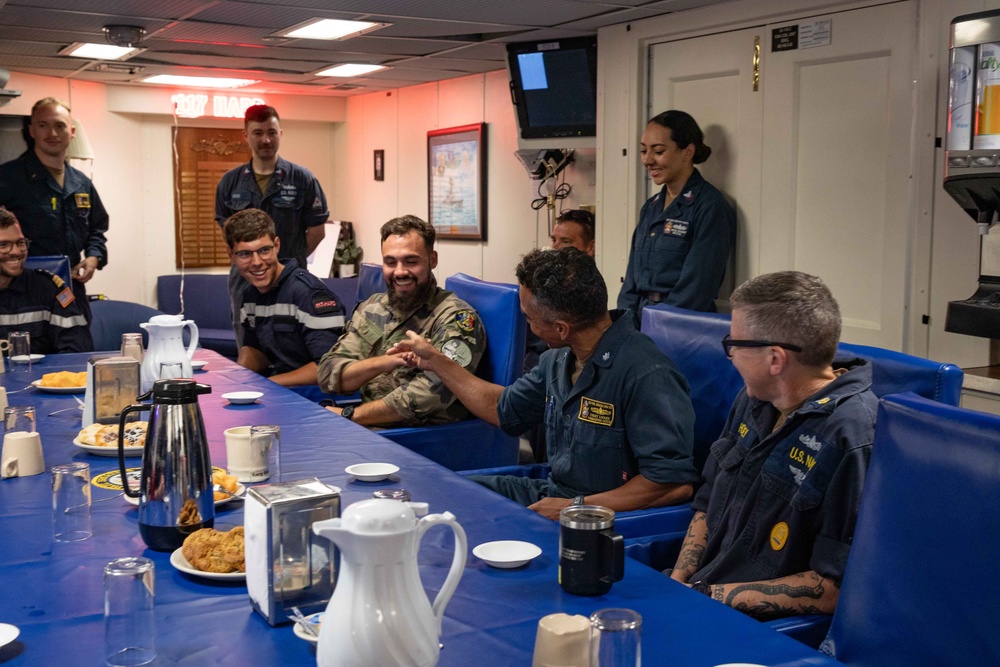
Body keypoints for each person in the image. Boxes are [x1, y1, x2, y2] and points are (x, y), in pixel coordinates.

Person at [391, 247, 699, 520]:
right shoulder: (560, 359)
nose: (528, 325)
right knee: (438, 491)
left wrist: (576, 507)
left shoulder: (646, 373)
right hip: (553, 497)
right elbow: (505, 409)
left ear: (561, 328)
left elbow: (670, 485)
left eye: (528, 318)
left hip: (598, 519)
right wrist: (436, 361)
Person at [668, 271, 877, 620]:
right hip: (699, 597)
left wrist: (703, 595)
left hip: (757, 628)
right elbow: (707, 504)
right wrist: (679, 579)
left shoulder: (852, 435)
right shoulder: (753, 400)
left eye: (734, 344)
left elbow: (833, 588)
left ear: (775, 359)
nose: (730, 355)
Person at [317, 215, 485, 428]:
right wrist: (385, 362)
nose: (400, 272)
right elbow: (328, 374)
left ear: (432, 260)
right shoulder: (372, 308)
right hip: (367, 429)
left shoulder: (454, 318)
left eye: (411, 261)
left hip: (422, 440)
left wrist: (351, 415)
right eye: (390, 262)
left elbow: (426, 395)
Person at [215, 104, 329, 346]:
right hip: (245, 278)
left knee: (293, 341)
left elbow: (317, 232)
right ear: (245, 135)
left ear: (281, 134)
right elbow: (228, 233)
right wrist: (255, 261)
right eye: (258, 133)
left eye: (272, 132)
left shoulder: (303, 179)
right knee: (248, 342)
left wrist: (281, 260)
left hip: (290, 277)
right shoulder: (230, 183)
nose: (266, 139)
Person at [618, 110, 736, 321]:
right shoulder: (651, 207)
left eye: (658, 151)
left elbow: (696, 289)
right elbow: (631, 283)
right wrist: (626, 326)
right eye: (643, 151)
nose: (647, 160)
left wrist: (658, 327)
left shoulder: (709, 206)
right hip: (641, 323)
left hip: (679, 326)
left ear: (687, 152)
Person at [0, 97, 109, 318]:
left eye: (59, 126)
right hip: (20, 292)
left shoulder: (81, 183)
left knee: (77, 345)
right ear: (32, 131)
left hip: (69, 290)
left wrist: (94, 257)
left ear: (72, 131)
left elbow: (97, 228)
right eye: (43, 125)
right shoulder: (8, 178)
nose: (52, 133)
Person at [224, 208, 344, 386]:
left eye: (264, 250)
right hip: (282, 390)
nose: (257, 262)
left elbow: (328, 367)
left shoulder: (308, 293)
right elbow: (256, 352)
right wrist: (236, 379)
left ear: (277, 245)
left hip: (317, 397)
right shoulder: (249, 293)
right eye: (245, 254)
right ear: (231, 255)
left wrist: (267, 385)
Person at [0, 207, 92, 353]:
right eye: (3, 245)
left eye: (20, 243)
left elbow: (77, 349)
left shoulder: (53, 288)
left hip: (41, 376)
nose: (17, 252)